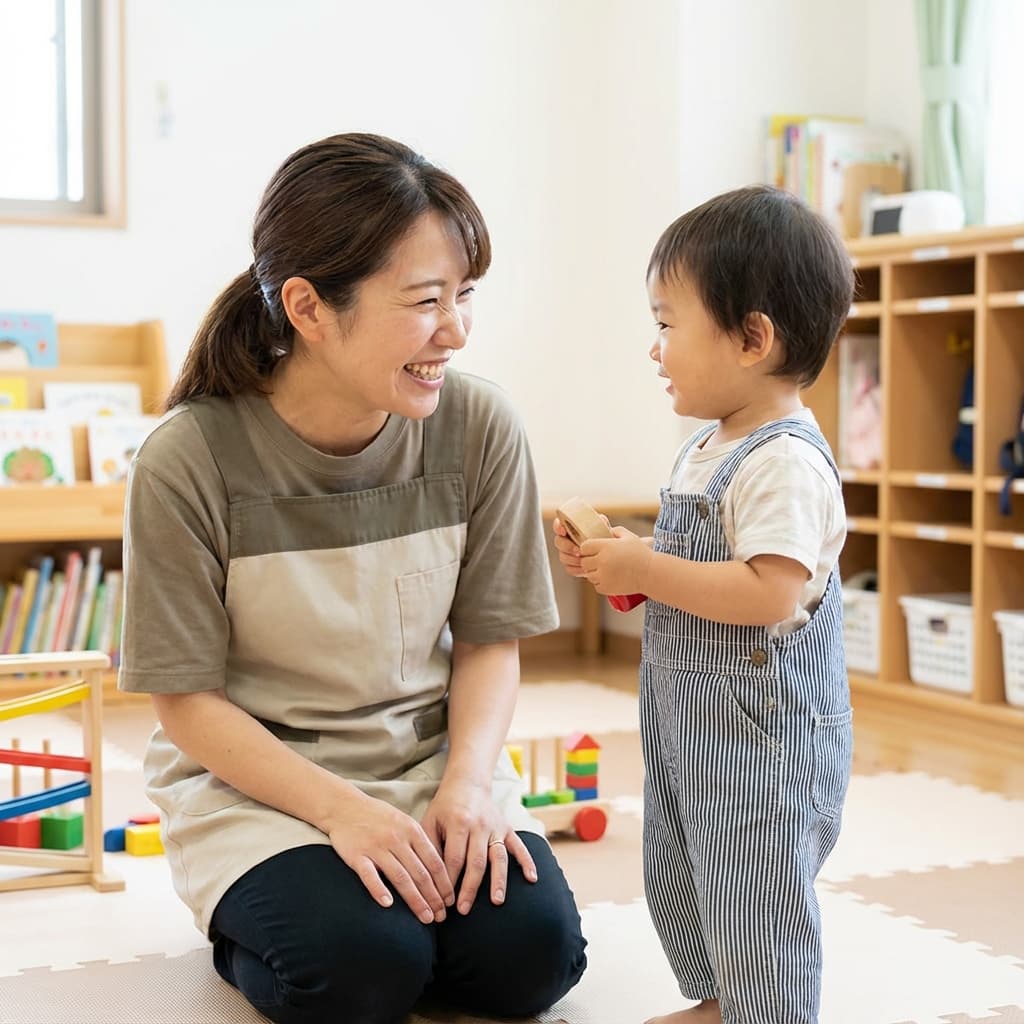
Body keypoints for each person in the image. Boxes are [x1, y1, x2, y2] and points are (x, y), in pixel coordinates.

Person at [119, 132, 587, 1024]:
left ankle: (397, 924)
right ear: (307, 306)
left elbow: (491, 643)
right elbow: (186, 702)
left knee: (530, 964)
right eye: (425, 301)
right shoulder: (189, 459)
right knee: (357, 974)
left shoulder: (479, 426)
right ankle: (262, 921)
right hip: (259, 789)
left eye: (464, 297)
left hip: (427, 767)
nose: (454, 331)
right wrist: (341, 813)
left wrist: (467, 788)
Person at [553, 185, 854, 1024]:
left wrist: (650, 562)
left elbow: (768, 592)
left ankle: (771, 1013)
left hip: (763, 736)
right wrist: (626, 568)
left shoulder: (783, 461)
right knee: (694, 869)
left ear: (753, 338)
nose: (655, 350)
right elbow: (695, 580)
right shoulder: (707, 447)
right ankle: (732, 1003)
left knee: (757, 887)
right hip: (694, 722)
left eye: (666, 324)